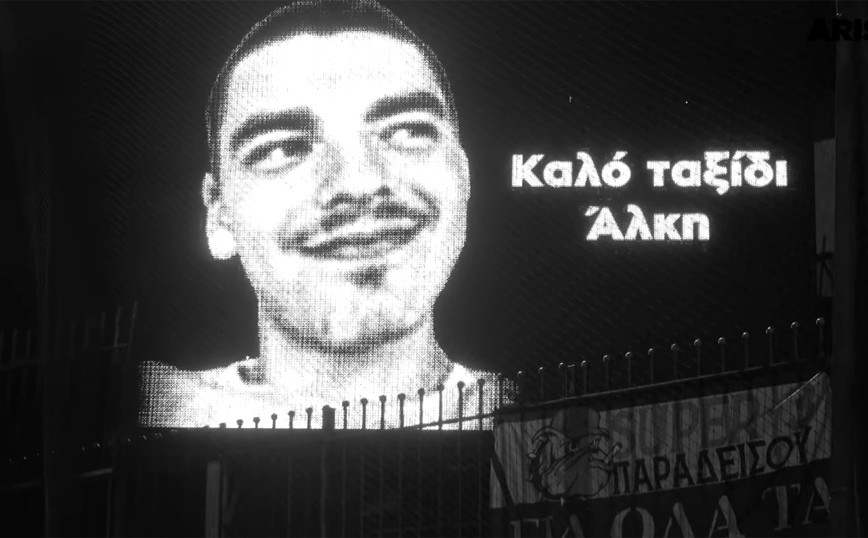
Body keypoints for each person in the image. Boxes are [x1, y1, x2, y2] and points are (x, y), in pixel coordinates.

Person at [140, 0, 507, 429]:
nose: (358, 181)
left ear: (463, 178)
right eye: (281, 149)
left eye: (408, 130)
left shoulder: (539, 415)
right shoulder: (152, 408)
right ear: (219, 217)